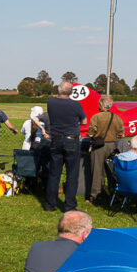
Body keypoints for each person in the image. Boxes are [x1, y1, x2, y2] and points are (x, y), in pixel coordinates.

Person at [43, 82, 87, 213]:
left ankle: (50, 204)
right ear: (71, 92)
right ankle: (69, 206)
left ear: (58, 90)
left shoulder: (51, 103)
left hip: (55, 140)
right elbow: (84, 121)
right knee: (72, 174)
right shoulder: (75, 104)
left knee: (54, 174)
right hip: (71, 141)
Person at [86, 97, 125, 202]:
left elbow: (90, 133)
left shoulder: (96, 117)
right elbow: (122, 134)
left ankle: (95, 195)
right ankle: (113, 194)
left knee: (97, 172)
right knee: (112, 172)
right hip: (113, 146)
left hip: (99, 147)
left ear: (101, 105)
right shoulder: (117, 118)